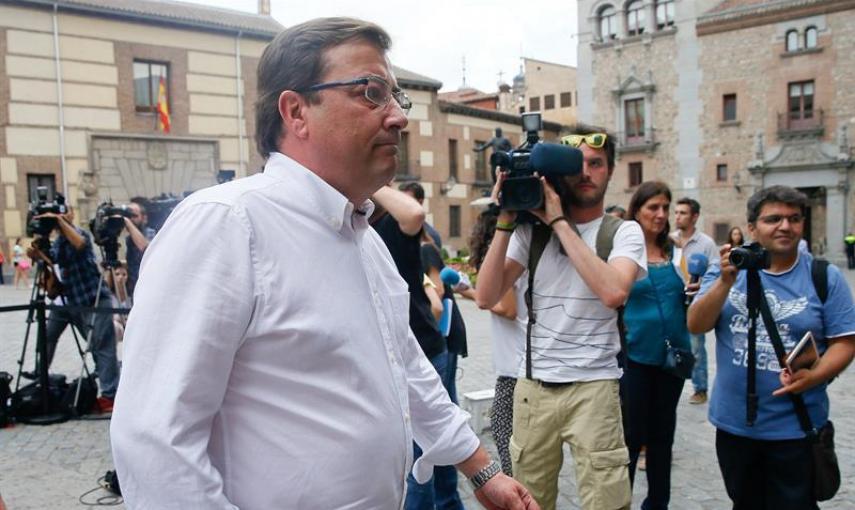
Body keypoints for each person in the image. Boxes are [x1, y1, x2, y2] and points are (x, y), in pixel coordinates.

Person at [111, 17, 536, 510]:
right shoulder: (226, 225)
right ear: (295, 112)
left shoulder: (365, 240)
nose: (398, 116)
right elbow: (155, 441)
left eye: (399, 98)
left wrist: (482, 471)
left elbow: (409, 368)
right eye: (371, 92)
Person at [476, 127, 646, 510]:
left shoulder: (623, 232)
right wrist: (505, 218)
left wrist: (558, 223)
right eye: (578, 164)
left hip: (595, 386)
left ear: (611, 170)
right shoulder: (528, 233)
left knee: (607, 501)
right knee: (529, 501)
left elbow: (613, 292)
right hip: (534, 387)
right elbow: (486, 296)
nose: (586, 172)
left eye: (597, 164)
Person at [687, 186, 855, 510]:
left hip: (796, 427)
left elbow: (845, 342)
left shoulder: (823, 276)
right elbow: (696, 324)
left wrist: (816, 375)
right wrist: (724, 282)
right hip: (735, 426)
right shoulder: (725, 270)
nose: (785, 226)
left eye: (794, 218)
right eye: (773, 218)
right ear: (752, 228)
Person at [370, 183, 465, 510]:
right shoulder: (354, 228)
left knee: (424, 460)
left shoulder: (391, 224)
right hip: (398, 353)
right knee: (431, 454)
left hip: (423, 350)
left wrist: (371, 178)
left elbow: (413, 213)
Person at [621, 182, 689, 509]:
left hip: (672, 359)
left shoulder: (676, 252)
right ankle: (621, 502)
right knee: (632, 438)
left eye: (666, 207)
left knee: (663, 438)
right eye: (653, 208)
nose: (661, 215)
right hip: (635, 357)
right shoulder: (623, 252)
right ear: (637, 210)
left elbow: (691, 294)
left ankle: (657, 504)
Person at [29, 206, 119, 412]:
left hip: (93, 299)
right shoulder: (60, 241)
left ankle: (110, 395)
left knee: (101, 345)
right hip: (70, 301)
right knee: (49, 336)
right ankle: (39, 376)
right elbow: (54, 261)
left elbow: (79, 244)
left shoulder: (79, 233)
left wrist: (60, 221)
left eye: (65, 214)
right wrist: (38, 254)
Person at [469, 205, 525, 477]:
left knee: (504, 432)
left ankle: (520, 496)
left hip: (515, 367)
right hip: (515, 364)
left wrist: (472, 295)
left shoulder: (505, 256)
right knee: (509, 436)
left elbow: (509, 308)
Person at [670, 197, 718, 405]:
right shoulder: (669, 240)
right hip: (672, 301)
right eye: (676, 212)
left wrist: (703, 286)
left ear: (695, 217)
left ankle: (700, 389)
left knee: (696, 347)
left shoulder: (706, 243)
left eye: (683, 213)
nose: (678, 216)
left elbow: (715, 273)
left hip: (694, 302)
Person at [124, 198, 156, 297]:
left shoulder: (150, 232)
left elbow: (145, 248)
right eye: (128, 216)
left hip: (149, 288)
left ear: (144, 218)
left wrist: (128, 223)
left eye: (134, 216)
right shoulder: (129, 239)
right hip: (133, 288)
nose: (130, 219)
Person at [399, 181, 442, 247]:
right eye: (400, 200)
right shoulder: (392, 230)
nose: (402, 204)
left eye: (407, 200)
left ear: (420, 202)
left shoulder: (431, 235)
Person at [105, 262, 131, 343]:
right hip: (117, 329)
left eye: (124, 274)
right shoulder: (108, 296)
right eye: (117, 274)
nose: (121, 277)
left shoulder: (131, 296)